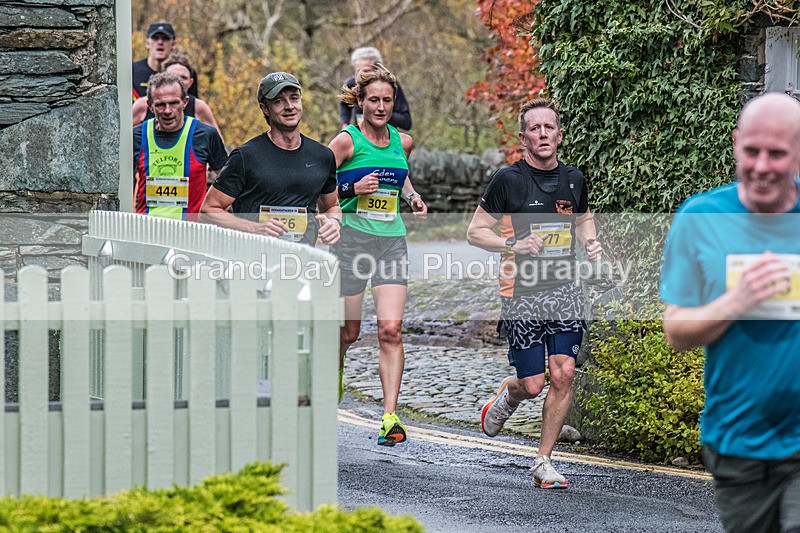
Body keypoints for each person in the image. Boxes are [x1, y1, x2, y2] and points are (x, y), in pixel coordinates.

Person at [661, 93, 800, 533]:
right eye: (751, 150)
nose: (761, 166)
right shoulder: (701, 216)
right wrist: (737, 301)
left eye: (776, 153)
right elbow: (675, 330)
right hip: (738, 440)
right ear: (736, 144)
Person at [466, 98, 602, 489]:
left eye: (549, 128)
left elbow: (583, 217)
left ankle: (543, 461)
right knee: (533, 384)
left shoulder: (575, 179)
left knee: (564, 373)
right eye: (535, 129)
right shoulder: (509, 180)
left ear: (559, 135)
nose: (543, 134)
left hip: (566, 291)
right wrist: (513, 246)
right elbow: (475, 232)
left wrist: (589, 242)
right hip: (522, 293)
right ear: (523, 137)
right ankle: (506, 398)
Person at [329, 64, 427, 446]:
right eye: (374, 100)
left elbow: (399, 174)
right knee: (348, 331)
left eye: (388, 100)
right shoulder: (346, 142)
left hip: (390, 241)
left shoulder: (404, 142)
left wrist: (412, 195)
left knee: (390, 329)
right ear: (360, 101)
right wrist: (353, 185)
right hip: (352, 241)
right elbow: (322, 186)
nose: (381, 107)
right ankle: (332, 374)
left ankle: (390, 417)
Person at [199, 72, 341, 247]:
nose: (289, 106)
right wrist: (254, 228)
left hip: (302, 261)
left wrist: (334, 223)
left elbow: (331, 205)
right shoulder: (246, 156)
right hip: (253, 260)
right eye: (279, 101)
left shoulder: (322, 156)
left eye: (294, 98)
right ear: (265, 108)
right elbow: (208, 210)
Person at [133, 71, 227, 220]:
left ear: (185, 102)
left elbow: (229, 181)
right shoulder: (136, 137)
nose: (168, 111)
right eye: (160, 105)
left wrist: (214, 210)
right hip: (146, 231)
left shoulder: (205, 135)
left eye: (174, 103)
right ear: (150, 106)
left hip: (191, 233)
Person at [133, 52, 224, 145]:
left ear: (190, 82)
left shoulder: (199, 107)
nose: (167, 111)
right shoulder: (142, 104)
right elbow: (123, 137)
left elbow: (217, 143)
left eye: (183, 78)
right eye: (160, 105)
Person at [338, 47, 411, 131]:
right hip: (360, 139)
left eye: (366, 71)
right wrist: (345, 123)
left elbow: (406, 122)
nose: (361, 76)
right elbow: (344, 103)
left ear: (378, 70)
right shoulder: (352, 84)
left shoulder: (390, 86)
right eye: (357, 71)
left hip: (386, 139)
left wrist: (381, 113)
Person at [132, 21, 198, 101]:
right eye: (155, 38)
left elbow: (192, 104)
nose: (160, 42)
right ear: (147, 43)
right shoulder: (132, 71)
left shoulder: (185, 72)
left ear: (173, 44)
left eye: (165, 38)